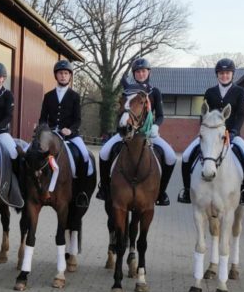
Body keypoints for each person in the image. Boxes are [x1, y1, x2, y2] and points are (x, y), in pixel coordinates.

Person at [97, 57, 176, 205]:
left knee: (171, 156)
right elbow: (122, 111)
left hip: (149, 133)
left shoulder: (155, 91)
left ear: (148, 72)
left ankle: (161, 192)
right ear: (134, 74)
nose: (141, 74)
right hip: (127, 132)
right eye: (138, 72)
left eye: (143, 71)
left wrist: (156, 126)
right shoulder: (128, 91)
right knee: (104, 152)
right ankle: (105, 188)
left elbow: (160, 115)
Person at [177, 58, 244, 205]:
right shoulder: (210, 92)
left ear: (232, 74)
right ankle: (187, 190)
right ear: (217, 75)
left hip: (232, 134)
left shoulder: (240, 91)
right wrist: (203, 133)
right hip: (210, 135)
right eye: (221, 73)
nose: (224, 76)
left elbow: (241, 115)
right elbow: (204, 115)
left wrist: (234, 132)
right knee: (187, 155)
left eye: (227, 73)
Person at [39, 60, 94, 207]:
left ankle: (81, 191)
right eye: (60, 73)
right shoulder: (48, 96)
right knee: (30, 153)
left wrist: (70, 129)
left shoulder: (75, 96)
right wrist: (45, 130)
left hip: (70, 135)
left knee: (84, 155)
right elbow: (43, 118)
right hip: (50, 136)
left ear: (69, 76)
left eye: (66, 73)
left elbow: (77, 119)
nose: (63, 76)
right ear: (56, 76)